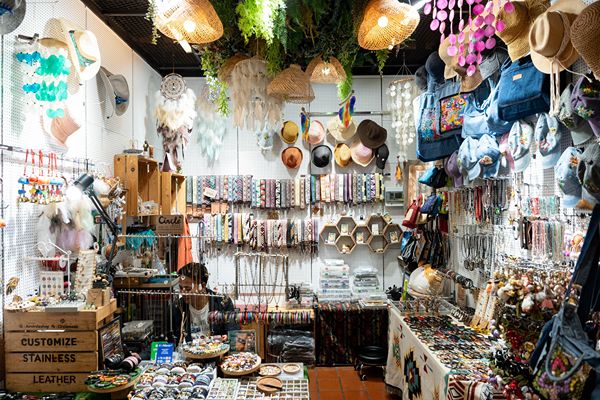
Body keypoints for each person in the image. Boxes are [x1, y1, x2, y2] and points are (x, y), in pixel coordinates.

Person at [173, 262, 235, 345]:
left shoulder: (223, 303)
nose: (183, 293)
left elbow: (233, 333)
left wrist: (227, 338)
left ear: (202, 286)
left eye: (188, 289)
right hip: (190, 352)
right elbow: (174, 339)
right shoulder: (178, 306)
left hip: (217, 351)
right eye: (181, 288)